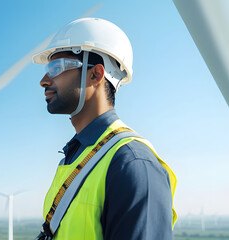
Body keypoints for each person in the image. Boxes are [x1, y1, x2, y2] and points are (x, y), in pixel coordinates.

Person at [32, 18, 177, 240]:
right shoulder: (76, 156)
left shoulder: (133, 164)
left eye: (56, 68)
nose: (44, 80)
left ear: (95, 75)